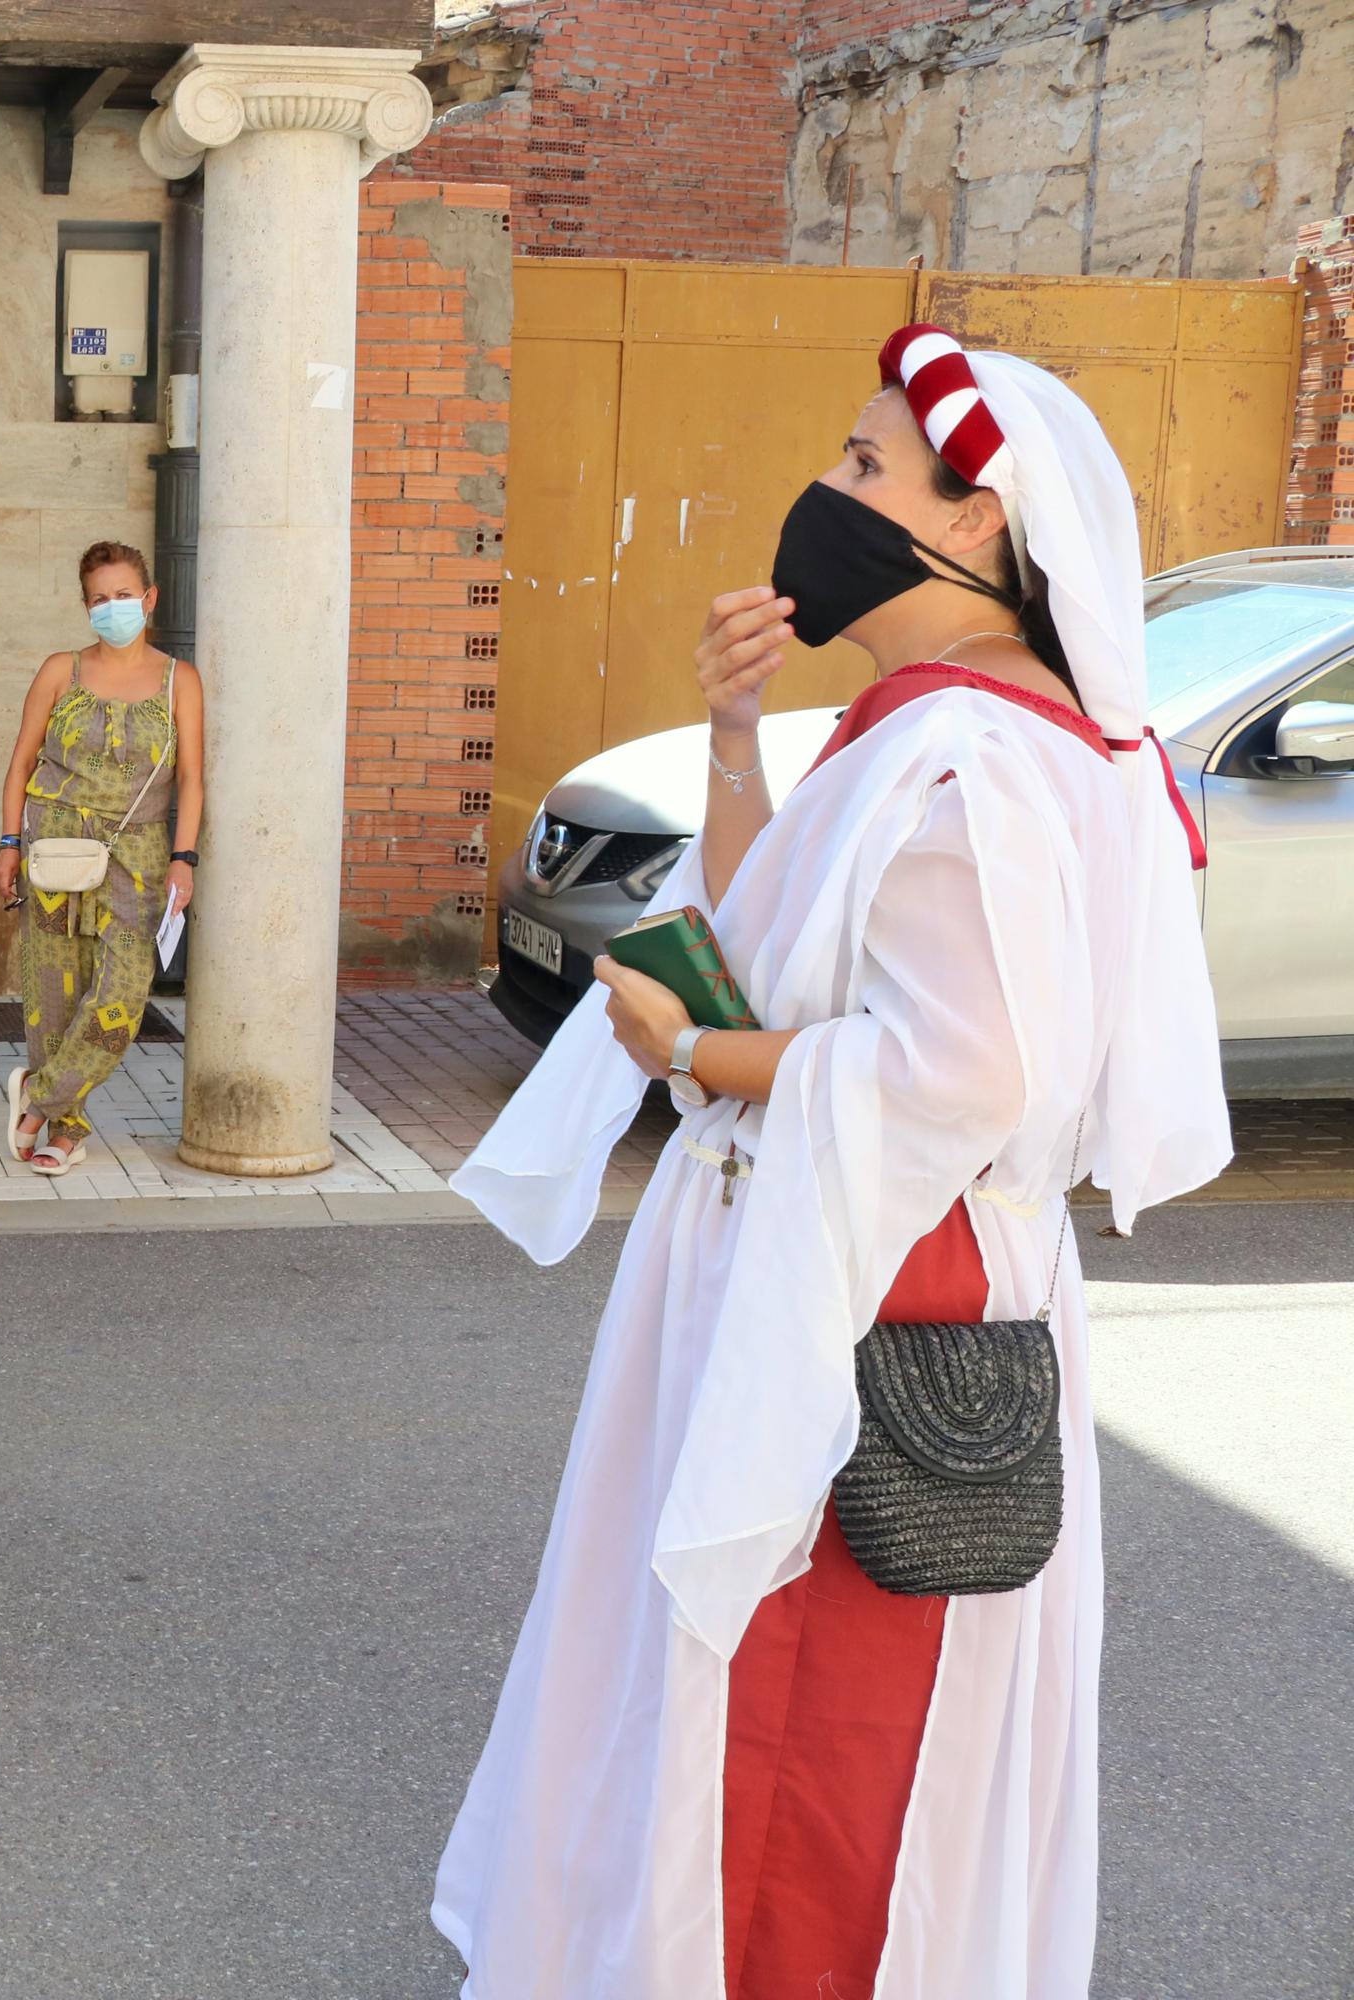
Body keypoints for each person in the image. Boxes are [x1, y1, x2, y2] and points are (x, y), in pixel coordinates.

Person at [435, 326, 1230, 1996]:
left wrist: (691, 1054)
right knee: (771, 1713)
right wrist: (734, 732)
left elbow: (962, 1073)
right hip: (849, 1251)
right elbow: (764, 937)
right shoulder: (938, 727)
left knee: (812, 1736)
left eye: (868, 466)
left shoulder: (978, 759)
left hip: (878, 1287)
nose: (825, 489)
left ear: (979, 526)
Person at [0, 541, 204, 1177]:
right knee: (54, 992)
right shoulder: (62, 670)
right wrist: (7, 844)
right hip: (54, 842)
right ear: (86, 607)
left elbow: (192, 777)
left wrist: (184, 857)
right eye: (100, 598)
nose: (114, 607)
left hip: (139, 852)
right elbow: (21, 763)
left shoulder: (179, 680)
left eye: (124, 595)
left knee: (121, 996)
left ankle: (38, 1098)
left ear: (149, 598)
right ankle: (66, 1131)